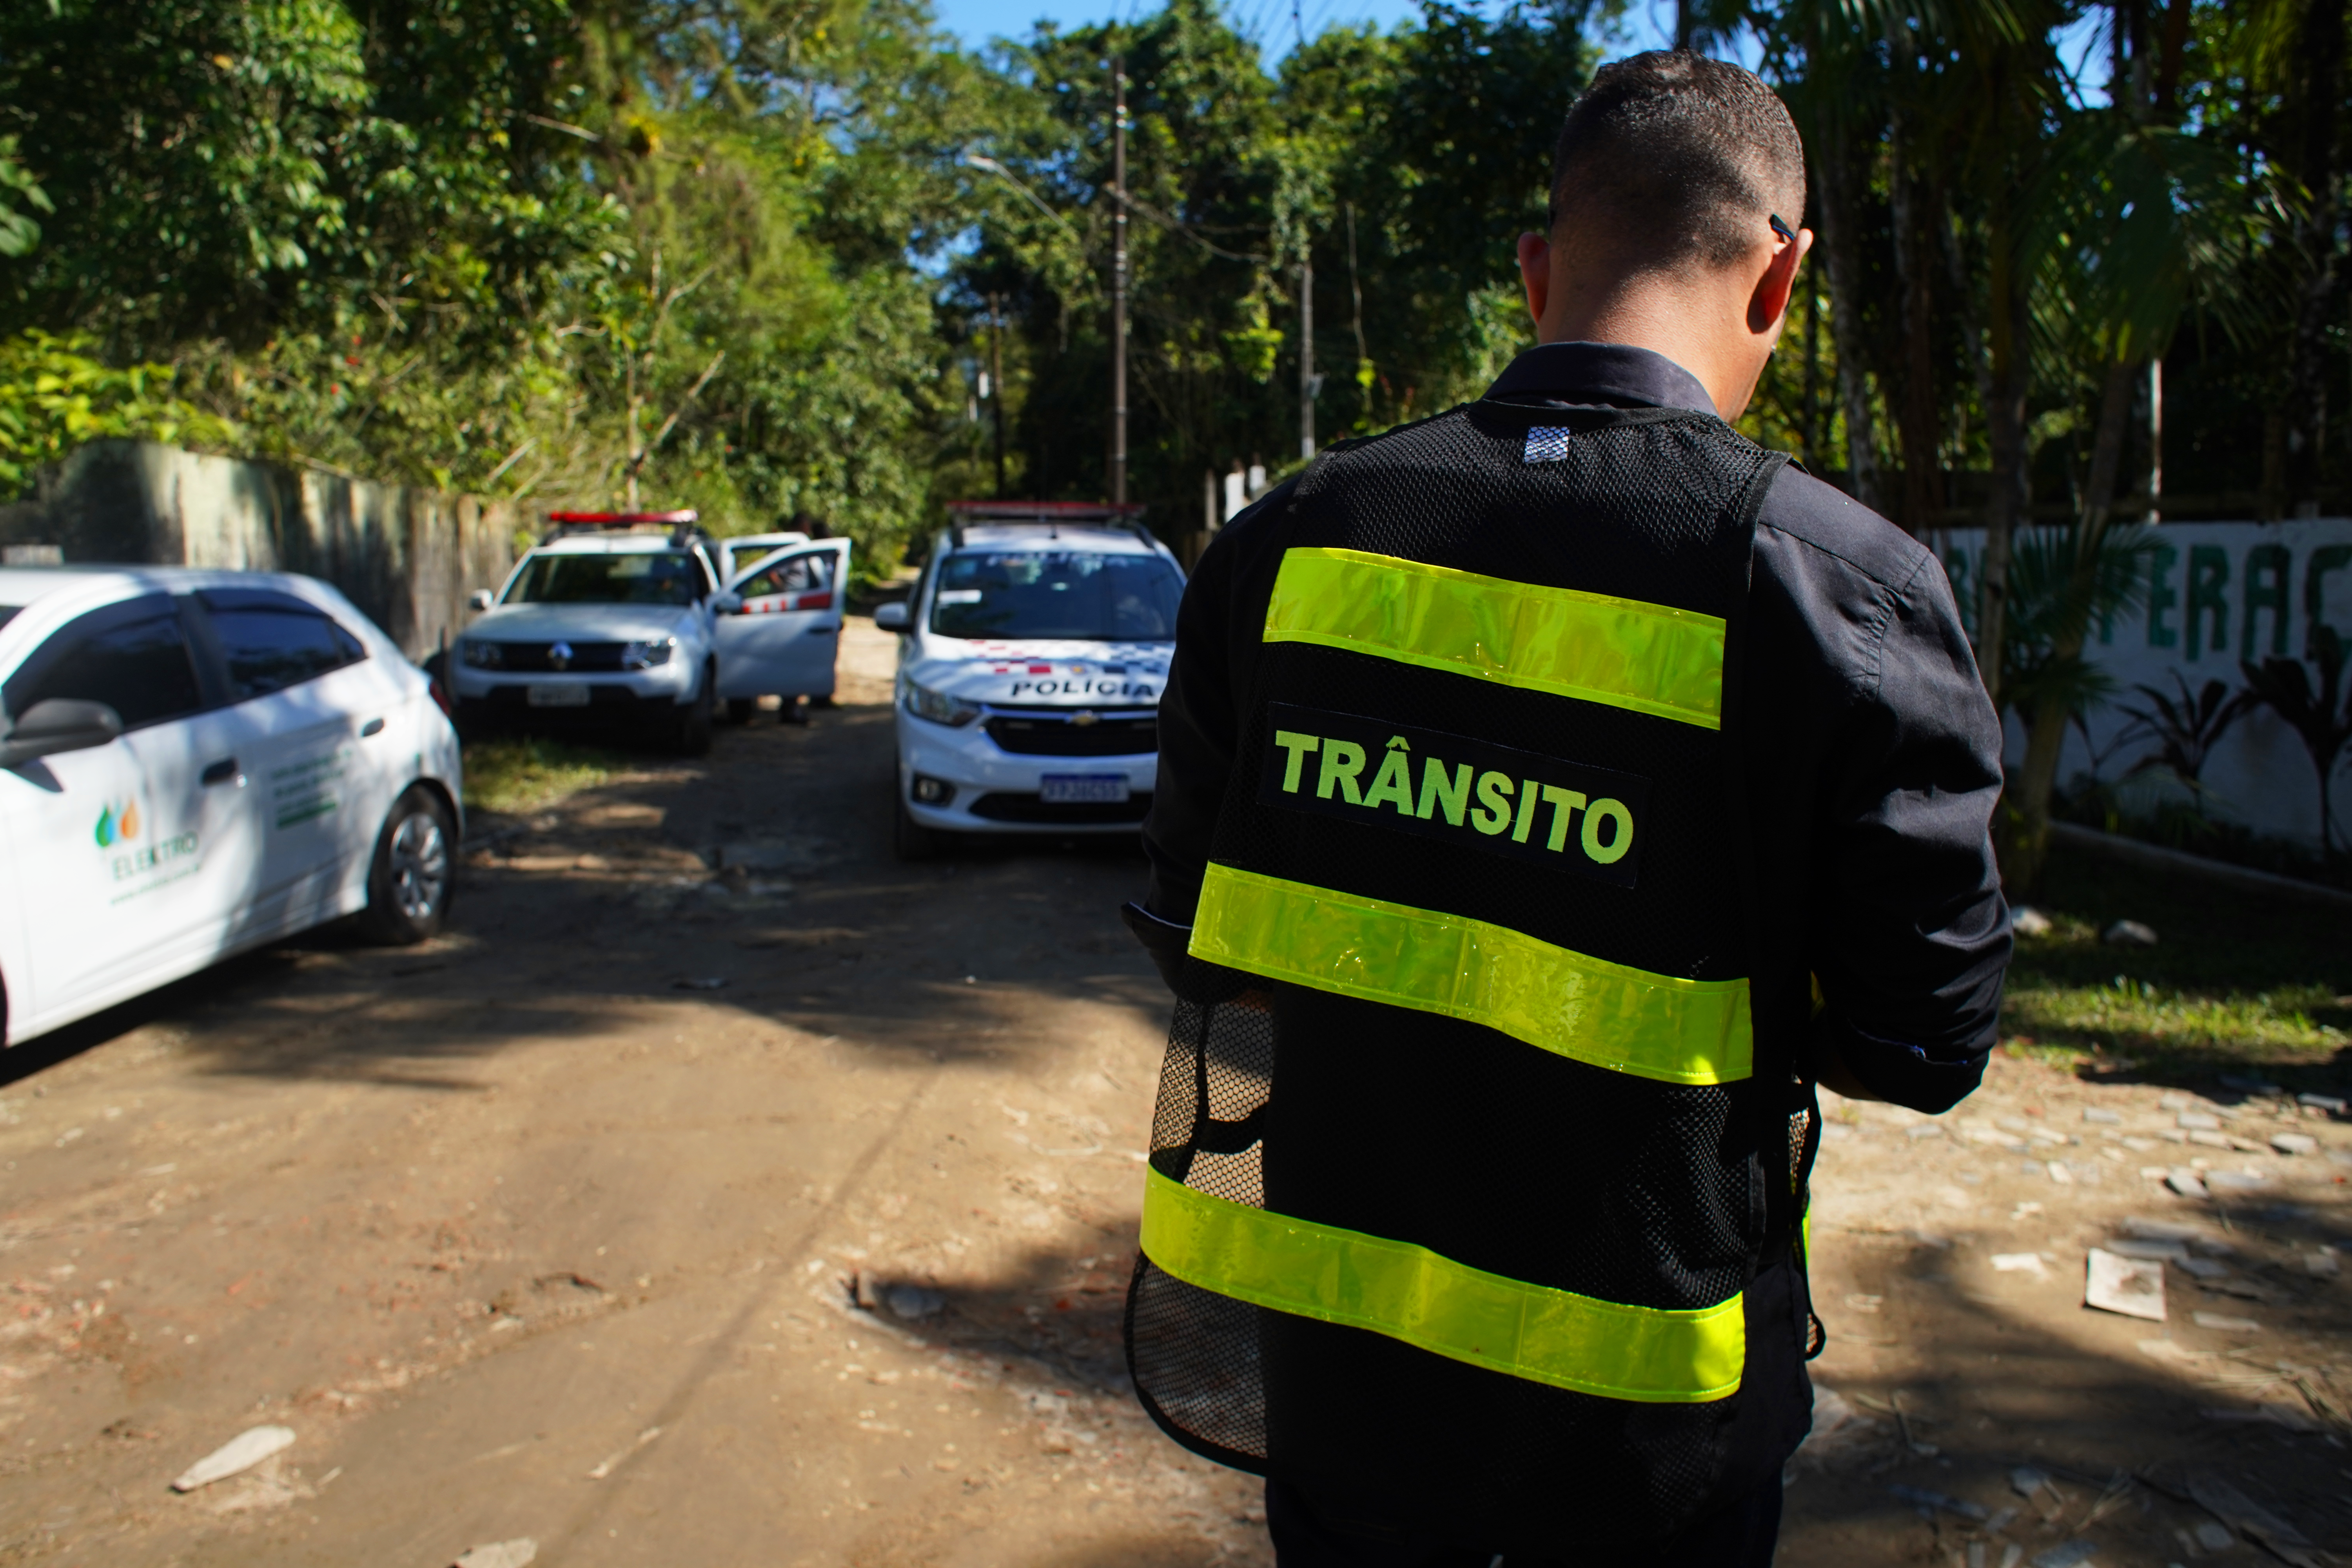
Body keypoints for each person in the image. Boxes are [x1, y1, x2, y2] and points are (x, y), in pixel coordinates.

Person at [1117, 50, 2010, 1568]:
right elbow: (1920, 1043)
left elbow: (1201, 929)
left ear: (1537, 270)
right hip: (1649, 1422)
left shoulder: (1288, 544)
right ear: (1781, 275)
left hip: (1350, 1388)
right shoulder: (1838, 583)